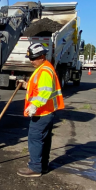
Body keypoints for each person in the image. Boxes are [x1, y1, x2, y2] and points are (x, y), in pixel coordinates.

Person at [17, 43, 65, 177]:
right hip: (47, 112)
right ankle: (43, 166)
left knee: (35, 138)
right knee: (44, 139)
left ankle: (35, 168)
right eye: (30, 58)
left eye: (34, 58)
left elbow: (45, 92)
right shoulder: (43, 68)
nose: (31, 61)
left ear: (42, 56)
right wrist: (27, 85)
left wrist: (34, 105)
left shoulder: (44, 71)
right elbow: (38, 87)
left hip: (42, 112)